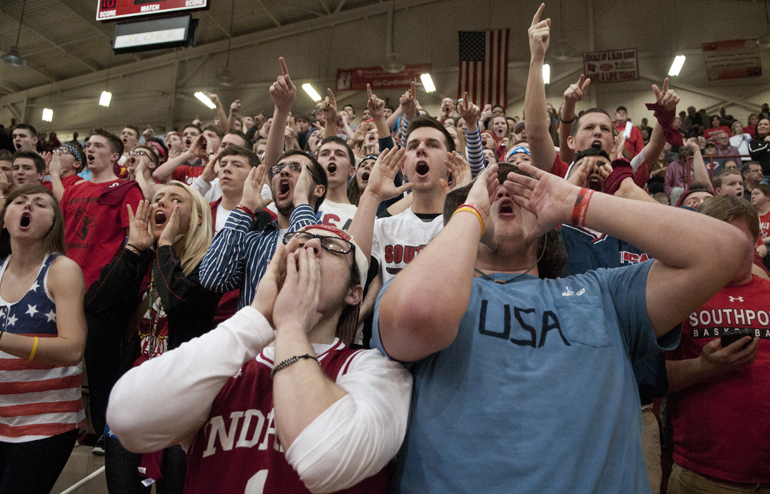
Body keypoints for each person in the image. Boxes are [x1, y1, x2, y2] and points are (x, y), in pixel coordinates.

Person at [106, 220, 412, 494]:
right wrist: (257, 318)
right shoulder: (229, 359)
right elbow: (126, 418)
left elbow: (325, 458)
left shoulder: (376, 371)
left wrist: (291, 325)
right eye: (300, 239)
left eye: (333, 247)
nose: (311, 246)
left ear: (354, 293)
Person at [85, 183, 220, 493]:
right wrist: (132, 250)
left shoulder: (209, 266)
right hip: (131, 397)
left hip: (182, 404)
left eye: (176, 200)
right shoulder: (141, 259)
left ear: (198, 217)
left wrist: (166, 246)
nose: (163, 203)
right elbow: (96, 306)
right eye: (158, 198)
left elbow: (178, 304)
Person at [199, 58, 326, 310]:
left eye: (297, 169)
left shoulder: (331, 240)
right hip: (252, 348)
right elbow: (212, 278)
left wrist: (301, 203)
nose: (284, 173)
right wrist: (245, 207)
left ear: (319, 189)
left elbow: (304, 272)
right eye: (279, 170)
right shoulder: (254, 239)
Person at [665, 195, 770, 493]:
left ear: (755, 240)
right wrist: (704, 366)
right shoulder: (678, 295)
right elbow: (655, 379)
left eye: (737, 240)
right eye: (718, 239)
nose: (729, 250)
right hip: (705, 475)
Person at [0, 185, 87, 494]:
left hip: (46, 422)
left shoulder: (62, 270)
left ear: (54, 222)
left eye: (40, 204)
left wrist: (1, 338)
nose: (29, 207)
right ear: (4, 217)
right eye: (20, 202)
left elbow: (72, 349)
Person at [60, 128, 144, 289]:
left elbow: (136, 240)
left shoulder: (127, 189)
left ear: (114, 156)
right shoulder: (72, 190)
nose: (90, 149)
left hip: (100, 283)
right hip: (63, 277)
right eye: (89, 145)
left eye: (98, 146)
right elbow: (58, 232)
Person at [748, 116, 770, 183]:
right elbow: (754, 154)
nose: (762, 126)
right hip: (762, 176)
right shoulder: (753, 142)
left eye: (765, 124)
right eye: (760, 125)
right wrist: (766, 143)